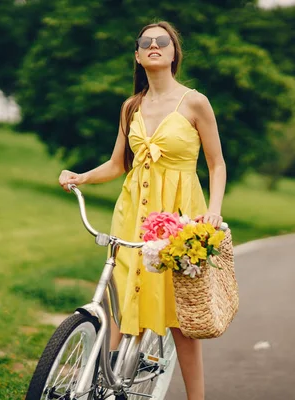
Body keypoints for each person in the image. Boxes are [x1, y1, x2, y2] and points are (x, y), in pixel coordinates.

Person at [59, 21, 226, 400]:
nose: (153, 45)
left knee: (181, 317)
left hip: (180, 218)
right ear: (137, 55)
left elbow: (217, 164)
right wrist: (80, 177)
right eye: (145, 42)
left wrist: (213, 212)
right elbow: (118, 164)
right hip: (134, 213)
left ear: (172, 53)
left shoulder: (195, 102)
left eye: (161, 41)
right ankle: (106, 385)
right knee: (124, 299)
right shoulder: (130, 106)